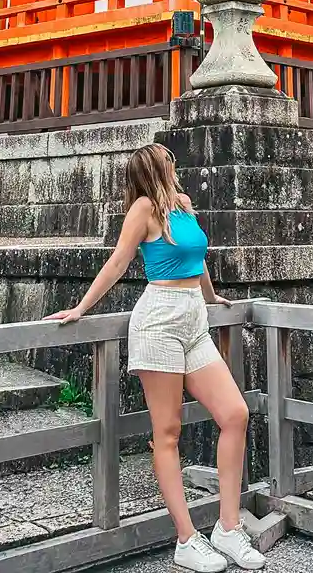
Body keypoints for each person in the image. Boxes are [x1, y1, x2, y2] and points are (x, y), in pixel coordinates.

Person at [48, 143, 265, 572]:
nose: (174, 163)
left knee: (235, 413)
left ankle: (227, 527)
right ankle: (186, 539)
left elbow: (197, 258)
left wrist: (211, 295)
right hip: (158, 322)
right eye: (167, 159)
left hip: (194, 320)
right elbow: (117, 264)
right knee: (167, 431)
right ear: (154, 168)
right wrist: (80, 309)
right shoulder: (144, 210)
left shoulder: (182, 204)